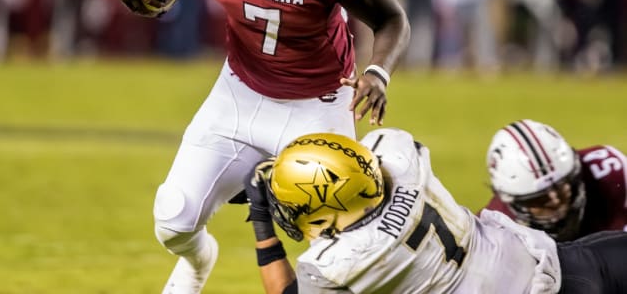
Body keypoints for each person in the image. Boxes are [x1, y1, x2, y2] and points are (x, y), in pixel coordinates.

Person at [86, 0, 410, 294]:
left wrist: (378, 73)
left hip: (318, 106)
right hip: (238, 92)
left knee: (342, 255)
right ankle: (198, 265)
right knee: (172, 220)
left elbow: (392, 19)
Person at [243, 129, 627, 294]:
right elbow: (349, 155)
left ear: (327, 212)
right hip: (564, 262)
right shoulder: (401, 155)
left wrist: (263, 222)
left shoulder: (336, 264)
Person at [483, 119, 627, 241]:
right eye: (540, 199)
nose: (555, 200)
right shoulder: (493, 232)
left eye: (561, 186)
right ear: (514, 202)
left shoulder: (609, 171)